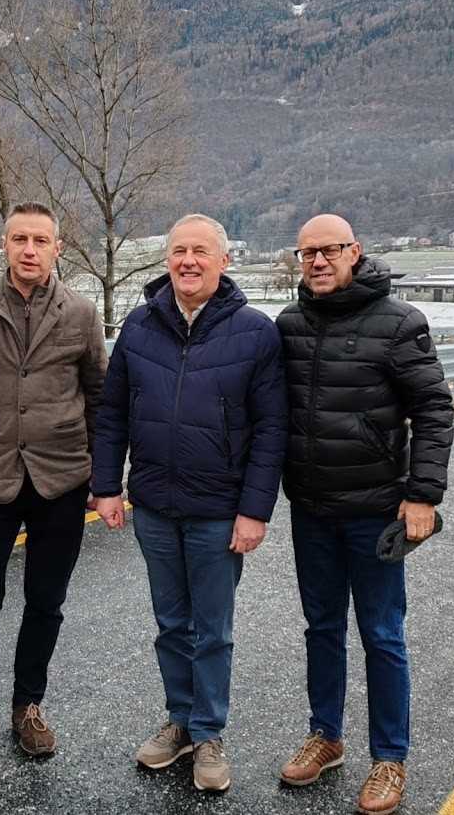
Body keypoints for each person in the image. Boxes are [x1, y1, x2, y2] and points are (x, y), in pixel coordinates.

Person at [91, 213, 287, 793]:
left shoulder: (255, 332)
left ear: (223, 262)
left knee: (214, 629)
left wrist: (255, 511)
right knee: (171, 623)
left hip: (219, 511)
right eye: (179, 251)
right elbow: (112, 415)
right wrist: (107, 486)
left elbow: (272, 430)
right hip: (154, 504)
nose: (188, 261)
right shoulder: (139, 326)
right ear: (167, 260)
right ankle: (178, 720)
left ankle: (208, 734)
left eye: (201, 251)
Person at [274, 214, 454, 815]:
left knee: (381, 634)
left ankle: (389, 759)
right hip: (311, 507)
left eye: (328, 251)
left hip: (376, 510)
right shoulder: (290, 324)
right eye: (307, 255)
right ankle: (326, 736)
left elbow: (433, 410)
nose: (318, 262)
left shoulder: (400, 323)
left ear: (355, 252)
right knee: (321, 627)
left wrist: (423, 494)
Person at [0, 201, 108, 770]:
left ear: (58, 248)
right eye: (19, 239)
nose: (29, 249)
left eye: (41, 240)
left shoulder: (82, 313)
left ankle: (28, 706)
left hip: (61, 479)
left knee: (46, 602)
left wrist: (104, 478)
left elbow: (100, 399)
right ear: (3, 245)